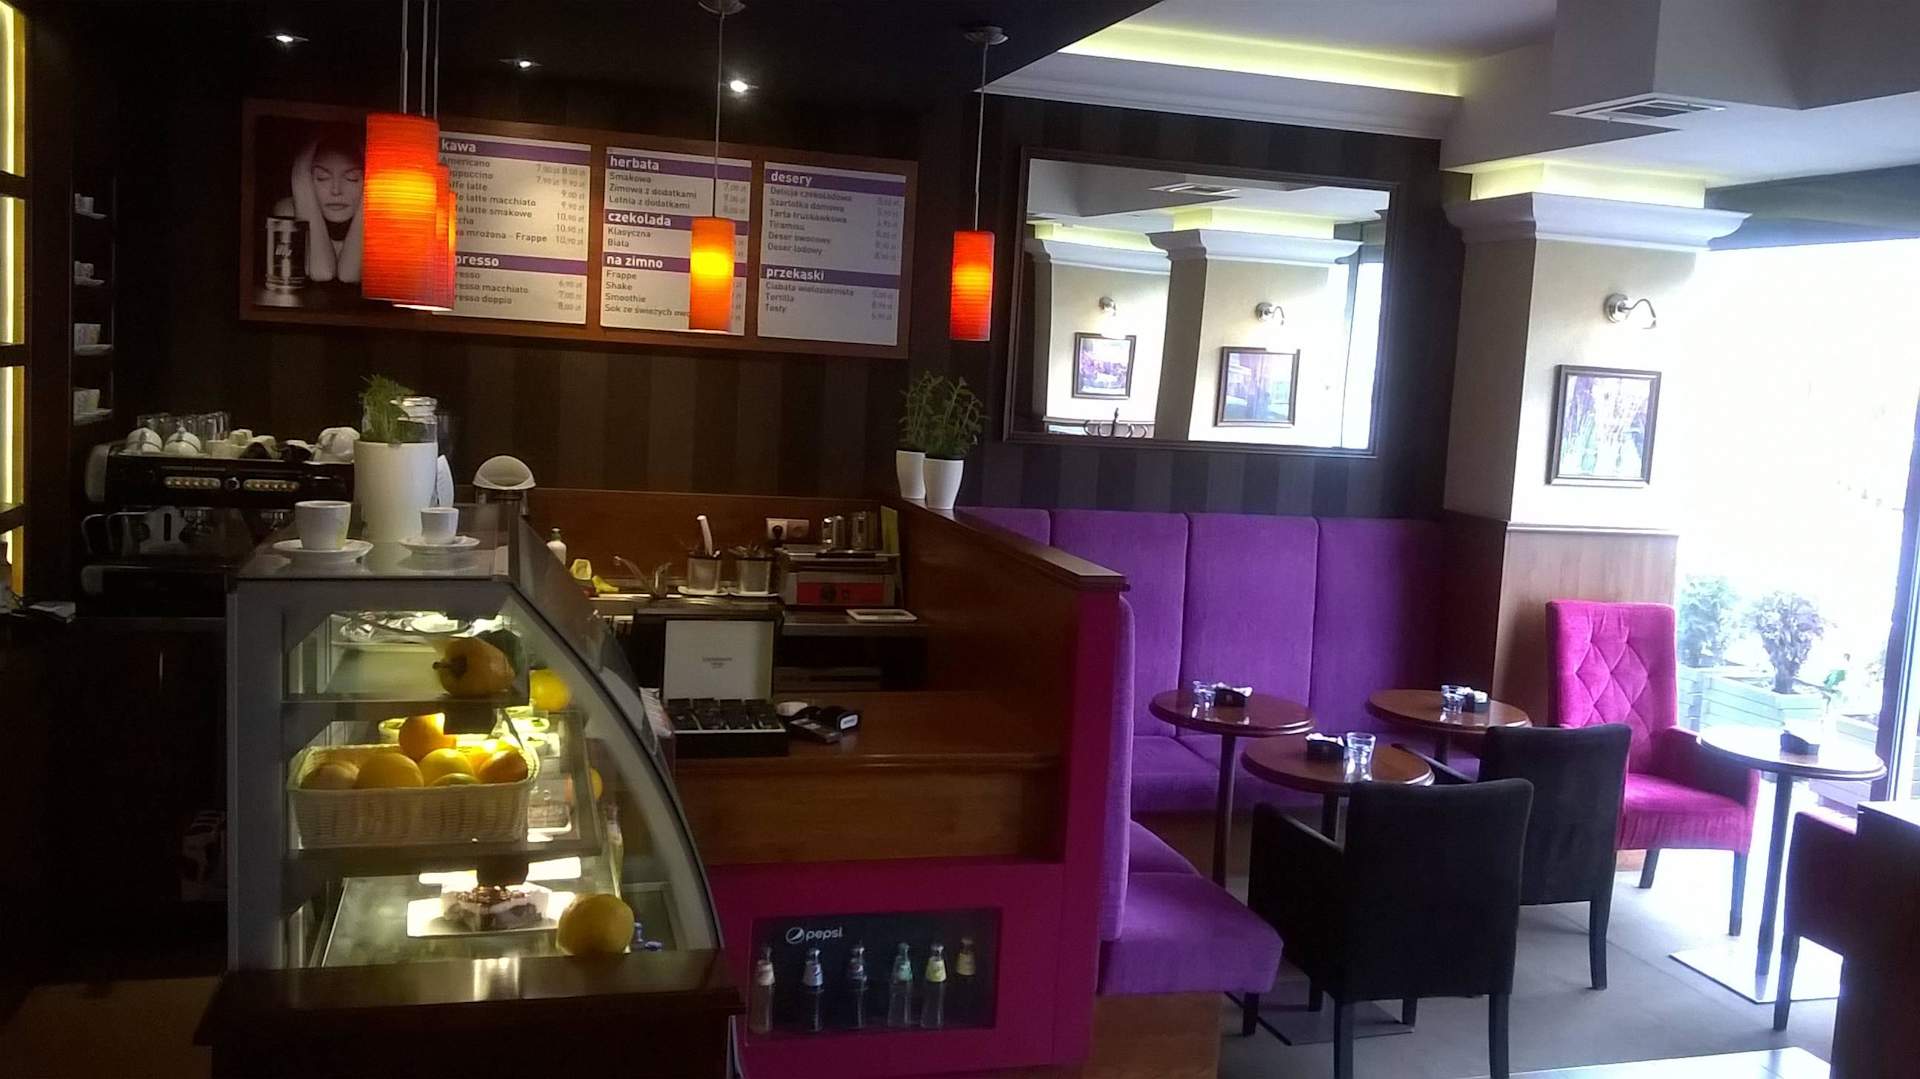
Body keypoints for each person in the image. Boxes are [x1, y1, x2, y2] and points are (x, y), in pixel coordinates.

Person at [271, 127, 363, 284]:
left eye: (352, 178)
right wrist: (300, 173)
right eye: (322, 177)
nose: (336, 190)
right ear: (306, 179)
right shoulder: (287, 210)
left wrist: (372, 197)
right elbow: (322, 272)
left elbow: (350, 274)